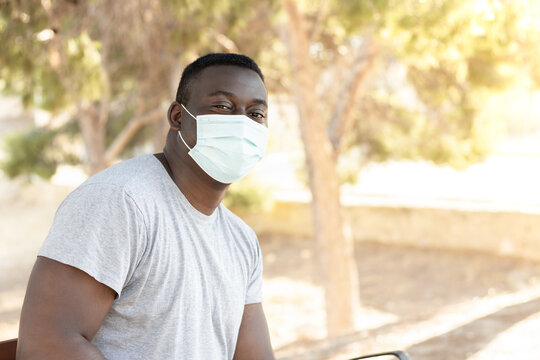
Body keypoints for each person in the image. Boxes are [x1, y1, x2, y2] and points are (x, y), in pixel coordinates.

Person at [17, 53, 275, 360]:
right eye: (222, 106)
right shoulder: (119, 201)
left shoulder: (241, 240)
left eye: (256, 114)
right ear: (178, 117)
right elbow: (45, 345)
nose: (241, 123)